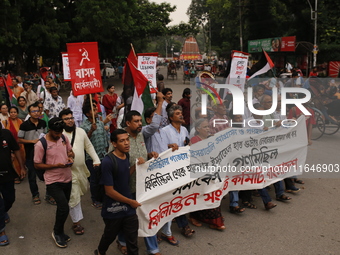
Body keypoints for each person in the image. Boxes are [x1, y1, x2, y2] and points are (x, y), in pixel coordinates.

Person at [116, 110, 161, 255]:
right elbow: (114, 163)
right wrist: (134, 166)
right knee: (127, 218)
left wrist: (149, 155)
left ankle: (153, 249)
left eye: (140, 121)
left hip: (143, 184)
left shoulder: (141, 134)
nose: (140, 123)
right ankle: (122, 241)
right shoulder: (120, 137)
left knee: (147, 215)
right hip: (127, 187)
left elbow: (142, 154)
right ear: (128, 123)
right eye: (136, 121)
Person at [95, 129, 141, 255]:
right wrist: (131, 201)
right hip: (113, 209)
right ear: (114, 144)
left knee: (132, 241)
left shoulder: (126, 156)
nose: (126, 143)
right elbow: (109, 191)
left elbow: (124, 176)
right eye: (122, 141)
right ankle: (100, 251)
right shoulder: (108, 162)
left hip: (128, 209)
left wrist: (136, 166)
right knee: (109, 236)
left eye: (127, 140)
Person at [34, 117, 75, 248]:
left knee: (63, 207)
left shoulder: (63, 138)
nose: (58, 135)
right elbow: (37, 164)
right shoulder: (41, 144)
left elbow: (70, 151)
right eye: (56, 133)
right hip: (52, 180)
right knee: (63, 207)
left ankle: (61, 231)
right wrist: (55, 165)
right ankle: (57, 232)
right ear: (50, 130)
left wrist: (70, 157)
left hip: (67, 177)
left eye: (60, 132)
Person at [59, 108, 100, 235]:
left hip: (81, 170)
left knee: (81, 191)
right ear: (61, 121)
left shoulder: (81, 132)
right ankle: (76, 223)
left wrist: (96, 159)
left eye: (71, 118)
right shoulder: (59, 135)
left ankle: (67, 206)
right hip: (67, 172)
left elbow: (88, 146)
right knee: (74, 195)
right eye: (66, 119)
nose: (70, 121)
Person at [161, 105, 195, 237]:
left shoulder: (185, 130)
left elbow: (185, 145)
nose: (181, 115)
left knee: (183, 195)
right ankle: (183, 225)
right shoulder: (164, 131)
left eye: (181, 113)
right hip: (171, 169)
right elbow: (160, 148)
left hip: (184, 167)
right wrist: (169, 146)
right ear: (170, 117)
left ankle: (180, 218)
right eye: (177, 113)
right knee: (176, 196)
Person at [189, 118, 226, 230]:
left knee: (213, 195)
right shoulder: (194, 140)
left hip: (213, 171)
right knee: (200, 195)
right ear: (198, 129)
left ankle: (214, 221)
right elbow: (192, 156)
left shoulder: (212, 139)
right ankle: (195, 217)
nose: (208, 129)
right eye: (205, 127)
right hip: (200, 173)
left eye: (208, 127)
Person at [18, 102, 50, 205]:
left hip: (43, 153)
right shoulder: (24, 125)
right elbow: (19, 140)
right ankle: (35, 195)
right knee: (32, 176)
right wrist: (31, 141)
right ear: (29, 113)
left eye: (37, 111)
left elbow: (46, 135)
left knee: (47, 175)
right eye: (33, 111)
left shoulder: (43, 123)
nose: (36, 113)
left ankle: (49, 195)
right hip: (30, 154)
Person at [0, 126, 26, 246]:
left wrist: (21, 167)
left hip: (7, 175)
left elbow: (16, 149)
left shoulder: (6, 134)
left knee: (10, 199)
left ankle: (3, 212)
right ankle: (1, 232)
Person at [81, 100, 109, 209]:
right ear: (87, 113)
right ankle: (95, 199)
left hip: (103, 155)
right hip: (92, 158)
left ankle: (104, 197)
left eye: (96, 108)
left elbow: (105, 138)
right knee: (94, 180)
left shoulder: (100, 123)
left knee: (104, 178)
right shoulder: (84, 127)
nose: (96, 111)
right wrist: (91, 131)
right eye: (93, 109)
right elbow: (83, 142)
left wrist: (107, 151)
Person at [2, 106, 26, 184]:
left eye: (15, 112)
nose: (13, 114)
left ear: (17, 113)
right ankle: (16, 176)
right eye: (11, 112)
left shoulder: (21, 122)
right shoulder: (6, 122)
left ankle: (22, 172)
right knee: (13, 161)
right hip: (10, 145)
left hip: (21, 145)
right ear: (9, 113)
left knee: (21, 159)